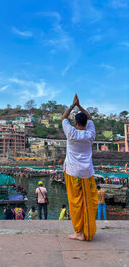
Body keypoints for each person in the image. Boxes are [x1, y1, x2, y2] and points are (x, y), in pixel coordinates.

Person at [62, 94, 98, 241]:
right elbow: (89, 118)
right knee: (88, 202)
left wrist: (72, 106)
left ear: (76, 123)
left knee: (75, 202)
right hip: (87, 173)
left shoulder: (71, 133)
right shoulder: (91, 134)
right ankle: (87, 230)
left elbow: (64, 117)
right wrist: (80, 106)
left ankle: (79, 232)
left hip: (72, 172)